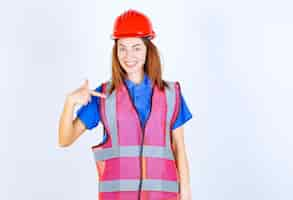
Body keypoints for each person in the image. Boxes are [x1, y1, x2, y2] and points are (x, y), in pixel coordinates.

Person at [58, 9, 192, 200]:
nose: (129, 55)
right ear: (116, 50)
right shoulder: (103, 96)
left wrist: (186, 193)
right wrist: (70, 102)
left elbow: (179, 147)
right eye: (123, 48)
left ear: (148, 49)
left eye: (136, 47)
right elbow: (65, 139)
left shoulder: (171, 94)